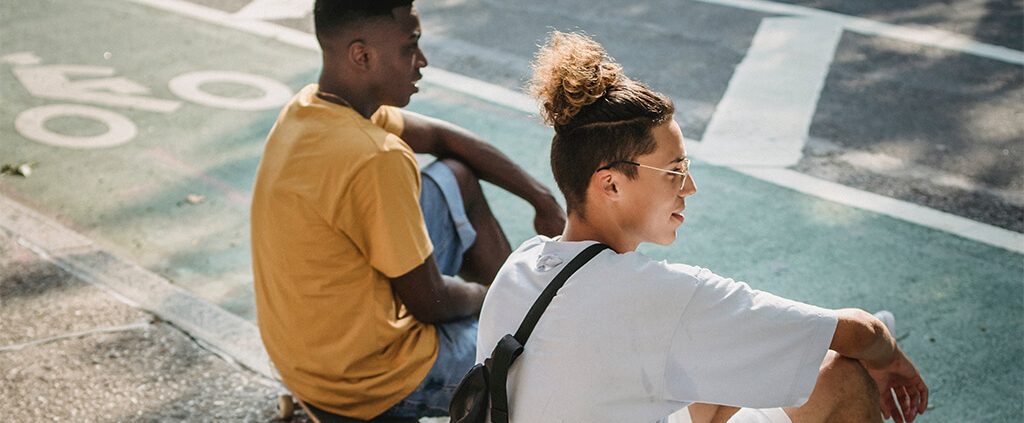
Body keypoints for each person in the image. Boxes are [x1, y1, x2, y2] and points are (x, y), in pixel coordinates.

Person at [476, 31, 928, 423]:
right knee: (842, 372)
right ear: (610, 183)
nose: (689, 187)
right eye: (673, 171)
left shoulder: (520, 266)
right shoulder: (662, 297)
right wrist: (888, 358)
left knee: (726, 366)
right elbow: (860, 333)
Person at [250, 1, 566, 420]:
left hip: (304, 357)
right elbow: (431, 301)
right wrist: (492, 296)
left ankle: (521, 321)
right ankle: (519, 332)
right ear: (362, 55)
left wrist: (540, 197)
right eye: (410, 46)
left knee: (457, 177)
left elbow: (441, 138)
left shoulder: (310, 107)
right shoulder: (375, 157)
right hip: (365, 381)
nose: (422, 61)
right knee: (546, 366)